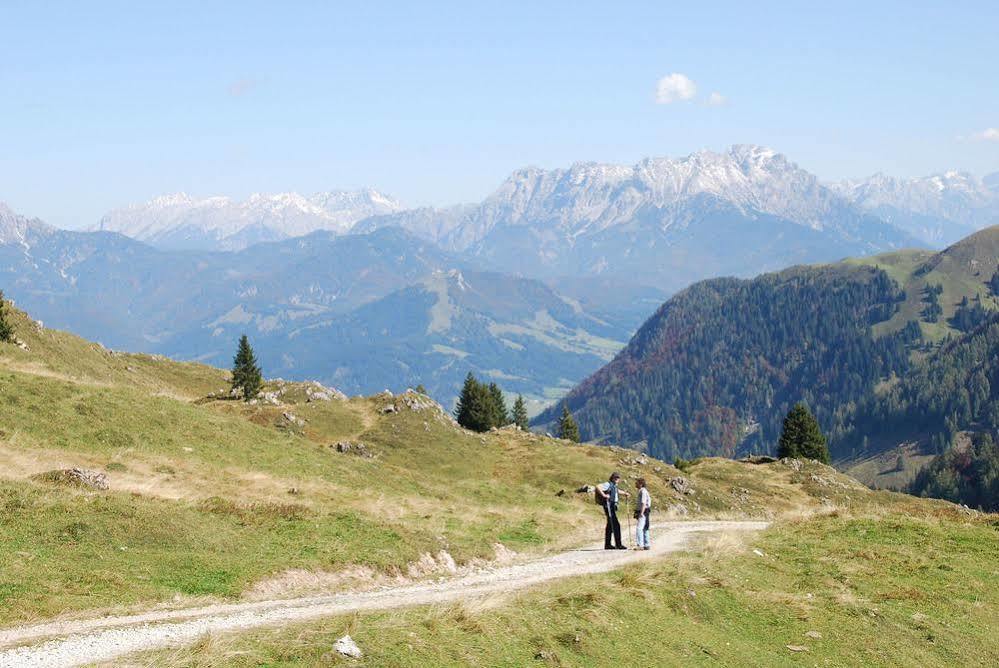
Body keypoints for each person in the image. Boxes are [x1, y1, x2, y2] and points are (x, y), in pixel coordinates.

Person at [597, 472, 630, 550]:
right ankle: (618, 545)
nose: (617, 479)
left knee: (610, 526)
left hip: (611, 506)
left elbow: (616, 491)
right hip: (609, 506)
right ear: (612, 478)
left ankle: (607, 545)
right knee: (616, 525)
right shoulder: (608, 484)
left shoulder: (613, 486)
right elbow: (597, 487)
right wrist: (604, 495)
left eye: (618, 478)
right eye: (615, 478)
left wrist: (625, 493)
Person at [633, 477, 651, 550]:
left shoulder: (642, 491)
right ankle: (647, 544)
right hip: (646, 511)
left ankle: (640, 545)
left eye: (636, 482)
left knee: (639, 528)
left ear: (640, 484)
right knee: (645, 527)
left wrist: (641, 513)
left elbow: (643, 502)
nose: (635, 484)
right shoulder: (644, 491)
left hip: (643, 511)